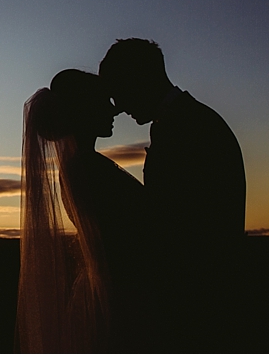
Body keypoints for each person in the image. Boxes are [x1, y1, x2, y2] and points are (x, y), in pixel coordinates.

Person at [100, 38, 245, 352]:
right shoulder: (186, 120)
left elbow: (183, 229)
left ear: (138, 78)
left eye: (119, 92)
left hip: (199, 302)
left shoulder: (189, 127)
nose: (119, 107)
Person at [16, 69, 154, 353]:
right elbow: (135, 233)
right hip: (121, 297)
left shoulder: (79, 166)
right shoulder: (87, 168)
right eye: (105, 101)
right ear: (84, 109)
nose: (114, 110)